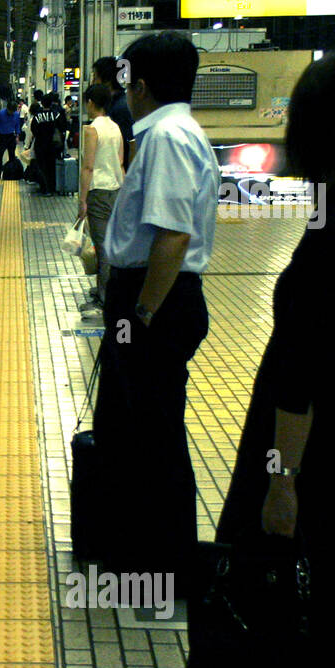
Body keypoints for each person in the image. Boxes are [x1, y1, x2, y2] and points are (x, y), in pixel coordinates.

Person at [127, 51, 335, 668]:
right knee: (314, 586)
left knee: (254, 579)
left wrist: (281, 478)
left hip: (300, 453)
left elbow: (302, 371)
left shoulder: (334, 235)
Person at [91, 31, 217, 584]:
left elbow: (172, 237)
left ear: (140, 86)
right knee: (129, 422)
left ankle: (162, 563)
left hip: (154, 301)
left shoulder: (166, 137)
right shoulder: (178, 132)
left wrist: (139, 316)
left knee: (153, 431)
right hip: (155, 298)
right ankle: (134, 549)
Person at [77, 83, 124, 316]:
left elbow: (88, 166)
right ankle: (104, 290)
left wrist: (82, 200)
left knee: (102, 248)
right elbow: (121, 162)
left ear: (90, 103)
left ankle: (105, 300)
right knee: (109, 246)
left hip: (98, 192)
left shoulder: (92, 130)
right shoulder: (116, 128)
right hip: (115, 190)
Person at [93, 55, 136, 166]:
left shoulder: (121, 108)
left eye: (95, 77)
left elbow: (131, 144)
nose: (93, 83)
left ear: (107, 80)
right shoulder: (111, 105)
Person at [29, 93, 64, 193]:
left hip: (40, 145)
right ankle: (52, 187)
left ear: (42, 104)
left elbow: (33, 129)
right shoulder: (56, 115)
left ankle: (44, 188)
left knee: (41, 166)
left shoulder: (37, 116)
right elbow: (62, 128)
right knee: (51, 166)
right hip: (53, 145)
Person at [0, 98, 22, 179]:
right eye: (10, 111)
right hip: (2, 137)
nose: (11, 113)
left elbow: (17, 125)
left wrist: (18, 136)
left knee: (12, 156)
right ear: (7, 108)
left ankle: (11, 173)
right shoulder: (0, 114)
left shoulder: (16, 114)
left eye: (13, 111)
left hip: (11, 137)